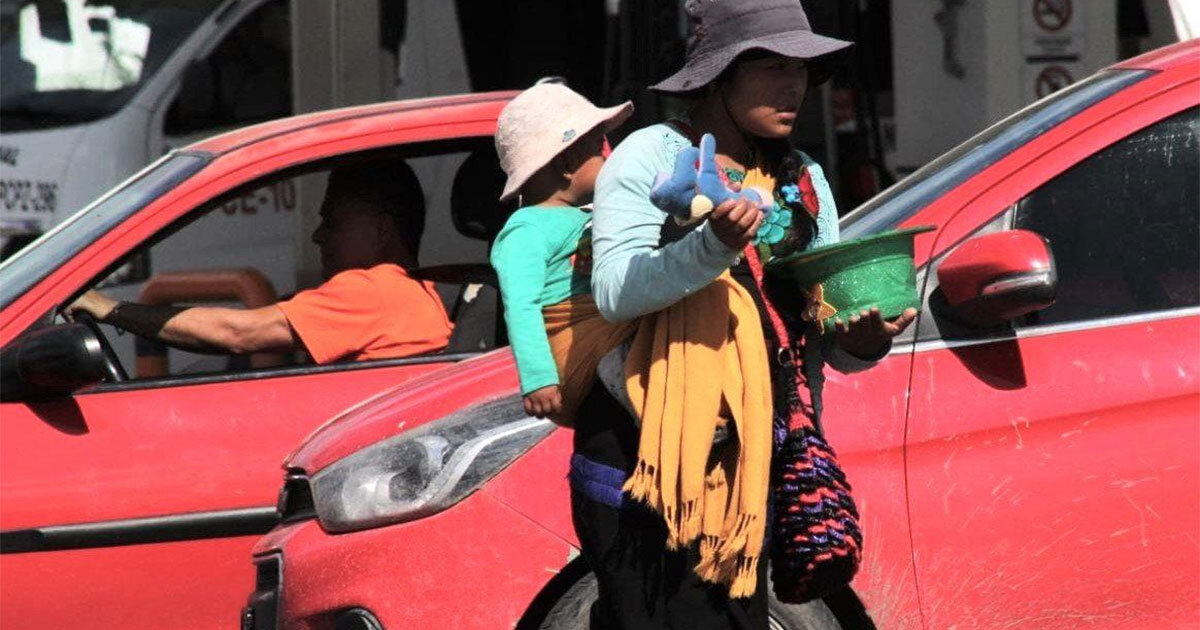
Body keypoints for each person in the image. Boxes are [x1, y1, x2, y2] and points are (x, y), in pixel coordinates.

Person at [575, 1, 916, 628]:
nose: (795, 87)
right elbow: (617, 291)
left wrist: (865, 340)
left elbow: (818, 329)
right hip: (648, 464)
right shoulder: (650, 156)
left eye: (803, 69)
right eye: (771, 67)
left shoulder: (803, 177)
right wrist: (711, 247)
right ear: (718, 75)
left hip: (753, 462)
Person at [66, 161, 453, 366]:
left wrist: (110, 308)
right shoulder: (411, 291)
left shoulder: (374, 291)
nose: (319, 236)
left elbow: (239, 333)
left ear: (382, 230)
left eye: (332, 221)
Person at [489, 83, 633, 421]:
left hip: (604, 330)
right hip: (578, 349)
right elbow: (521, 306)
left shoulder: (592, 212)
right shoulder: (526, 230)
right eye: (600, 146)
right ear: (567, 162)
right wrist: (538, 378)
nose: (609, 155)